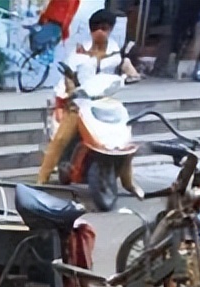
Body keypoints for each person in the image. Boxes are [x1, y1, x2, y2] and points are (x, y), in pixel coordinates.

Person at [36, 9, 141, 192]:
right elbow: (68, 76)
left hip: (106, 102)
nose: (100, 32)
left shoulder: (117, 54)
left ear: (110, 29)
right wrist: (72, 91)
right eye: (96, 28)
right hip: (80, 102)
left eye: (105, 28)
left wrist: (132, 74)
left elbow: (129, 69)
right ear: (91, 30)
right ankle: (41, 179)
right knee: (61, 138)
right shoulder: (78, 52)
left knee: (124, 138)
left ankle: (128, 181)